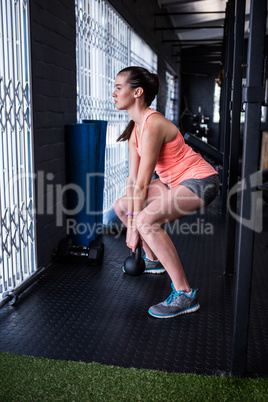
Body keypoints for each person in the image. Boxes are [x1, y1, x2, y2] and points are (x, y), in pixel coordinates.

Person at [112, 66, 219, 319]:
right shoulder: (134, 131)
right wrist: (130, 221)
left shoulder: (153, 124)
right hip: (173, 183)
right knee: (121, 206)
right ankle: (151, 259)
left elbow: (143, 183)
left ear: (137, 92)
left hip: (200, 180)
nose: (113, 93)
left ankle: (184, 294)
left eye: (118, 87)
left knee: (145, 221)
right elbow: (132, 180)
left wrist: (133, 227)